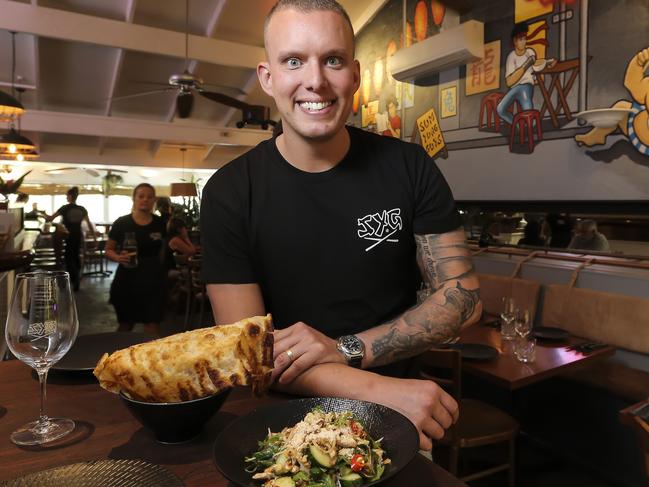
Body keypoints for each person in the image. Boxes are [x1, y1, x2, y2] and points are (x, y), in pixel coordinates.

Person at [200, 0, 481, 451]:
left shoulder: (409, 166)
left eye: (332, 60)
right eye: (294, 61)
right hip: (289, 422)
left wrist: (347, 347)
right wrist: (378, 391)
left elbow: (462, 299)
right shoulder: (230, 191)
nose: (315, 80)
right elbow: (251, 354)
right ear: (267, 77)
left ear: (354, 73)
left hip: (404, 417)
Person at [105, 183, 167, 335]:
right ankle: (119, 358)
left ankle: (152, 358)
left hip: (153, 280)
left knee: (152, 326)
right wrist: (119, 257)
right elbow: (108, 250)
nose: (145, 199)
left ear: (154, 200)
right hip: (127, 279)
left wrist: (164, 272)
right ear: (134, 199)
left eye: (149, 196)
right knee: (125, 326)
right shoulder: (122, 223)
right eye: (141, 196)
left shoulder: (160, 223)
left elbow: (163, 252)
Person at [497, 22, 556, 126]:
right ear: (515, 41)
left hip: (526, 87)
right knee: (500, 109)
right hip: (514, 88)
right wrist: (526, 64)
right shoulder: (511, 57)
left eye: (525, 39)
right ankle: (518, 125)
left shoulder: (530, 52)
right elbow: (510, 82)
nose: (524, 42)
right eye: (521, 39)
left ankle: (528, 127)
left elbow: (536, 65)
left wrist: (547, 62)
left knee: (528, 113)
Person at [46, 187, 96, 291]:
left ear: (70, 196)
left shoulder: (64, 208)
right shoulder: (82, 209)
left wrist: (41, 213)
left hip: (67, 235)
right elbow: (89, 224)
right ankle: (76, 279)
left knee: (68, 258)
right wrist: (94, 237)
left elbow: (50, 218)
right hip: (78, 236)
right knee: (76, 256)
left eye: (67, 195)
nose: (66, 197)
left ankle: (71, 280)